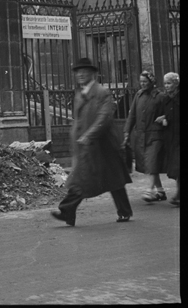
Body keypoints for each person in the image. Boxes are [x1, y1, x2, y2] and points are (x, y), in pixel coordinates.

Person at [51, 56, 132, 226]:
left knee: (113, 179)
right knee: (82, 177)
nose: (80, 74)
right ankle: (67, 212)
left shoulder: (103, 92)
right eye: (78, 72)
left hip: (105, 145)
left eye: (84, 71)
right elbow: (78, 121)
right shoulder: (79, 94)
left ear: (92, 74)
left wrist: (89, 135)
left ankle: (124, 211)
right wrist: (76, 140)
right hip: (87, 146)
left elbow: (104, 118)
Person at [124, 70, 166, 201]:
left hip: (156, 135)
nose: (142, 84)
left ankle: (149, 190)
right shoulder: (139, 95)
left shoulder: (161, 96)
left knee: (151, 162)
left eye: (145, 82)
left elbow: (170, 112)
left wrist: (164, 117)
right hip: (141, 136)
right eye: (141, 82)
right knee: (149, 163)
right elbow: (132, 116)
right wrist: (126, 132)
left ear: (152, 82)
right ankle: (160, 191)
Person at [155, 72, 180, 206]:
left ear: (176, 83)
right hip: (171, 136)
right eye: (165, 83)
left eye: (169, 83)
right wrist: (164, 118)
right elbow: (166, 112)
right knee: (175, 167)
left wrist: (166, 118)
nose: (166, 86)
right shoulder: (166, 98)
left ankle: (178, 195)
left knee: (178, 166)